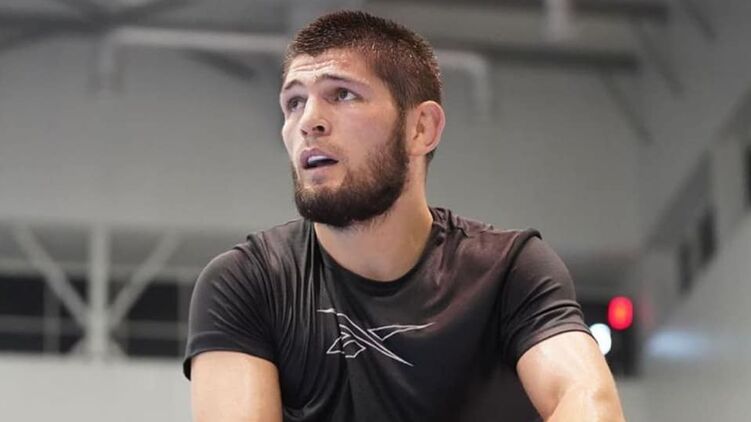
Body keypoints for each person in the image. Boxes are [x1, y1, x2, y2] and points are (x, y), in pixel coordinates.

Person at [183, 10, 625, 422]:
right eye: (294, 102)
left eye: (342, 94)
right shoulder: (246, 284)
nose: (308, 121)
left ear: (421, 128)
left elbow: (591, 403)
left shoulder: (510, 270)